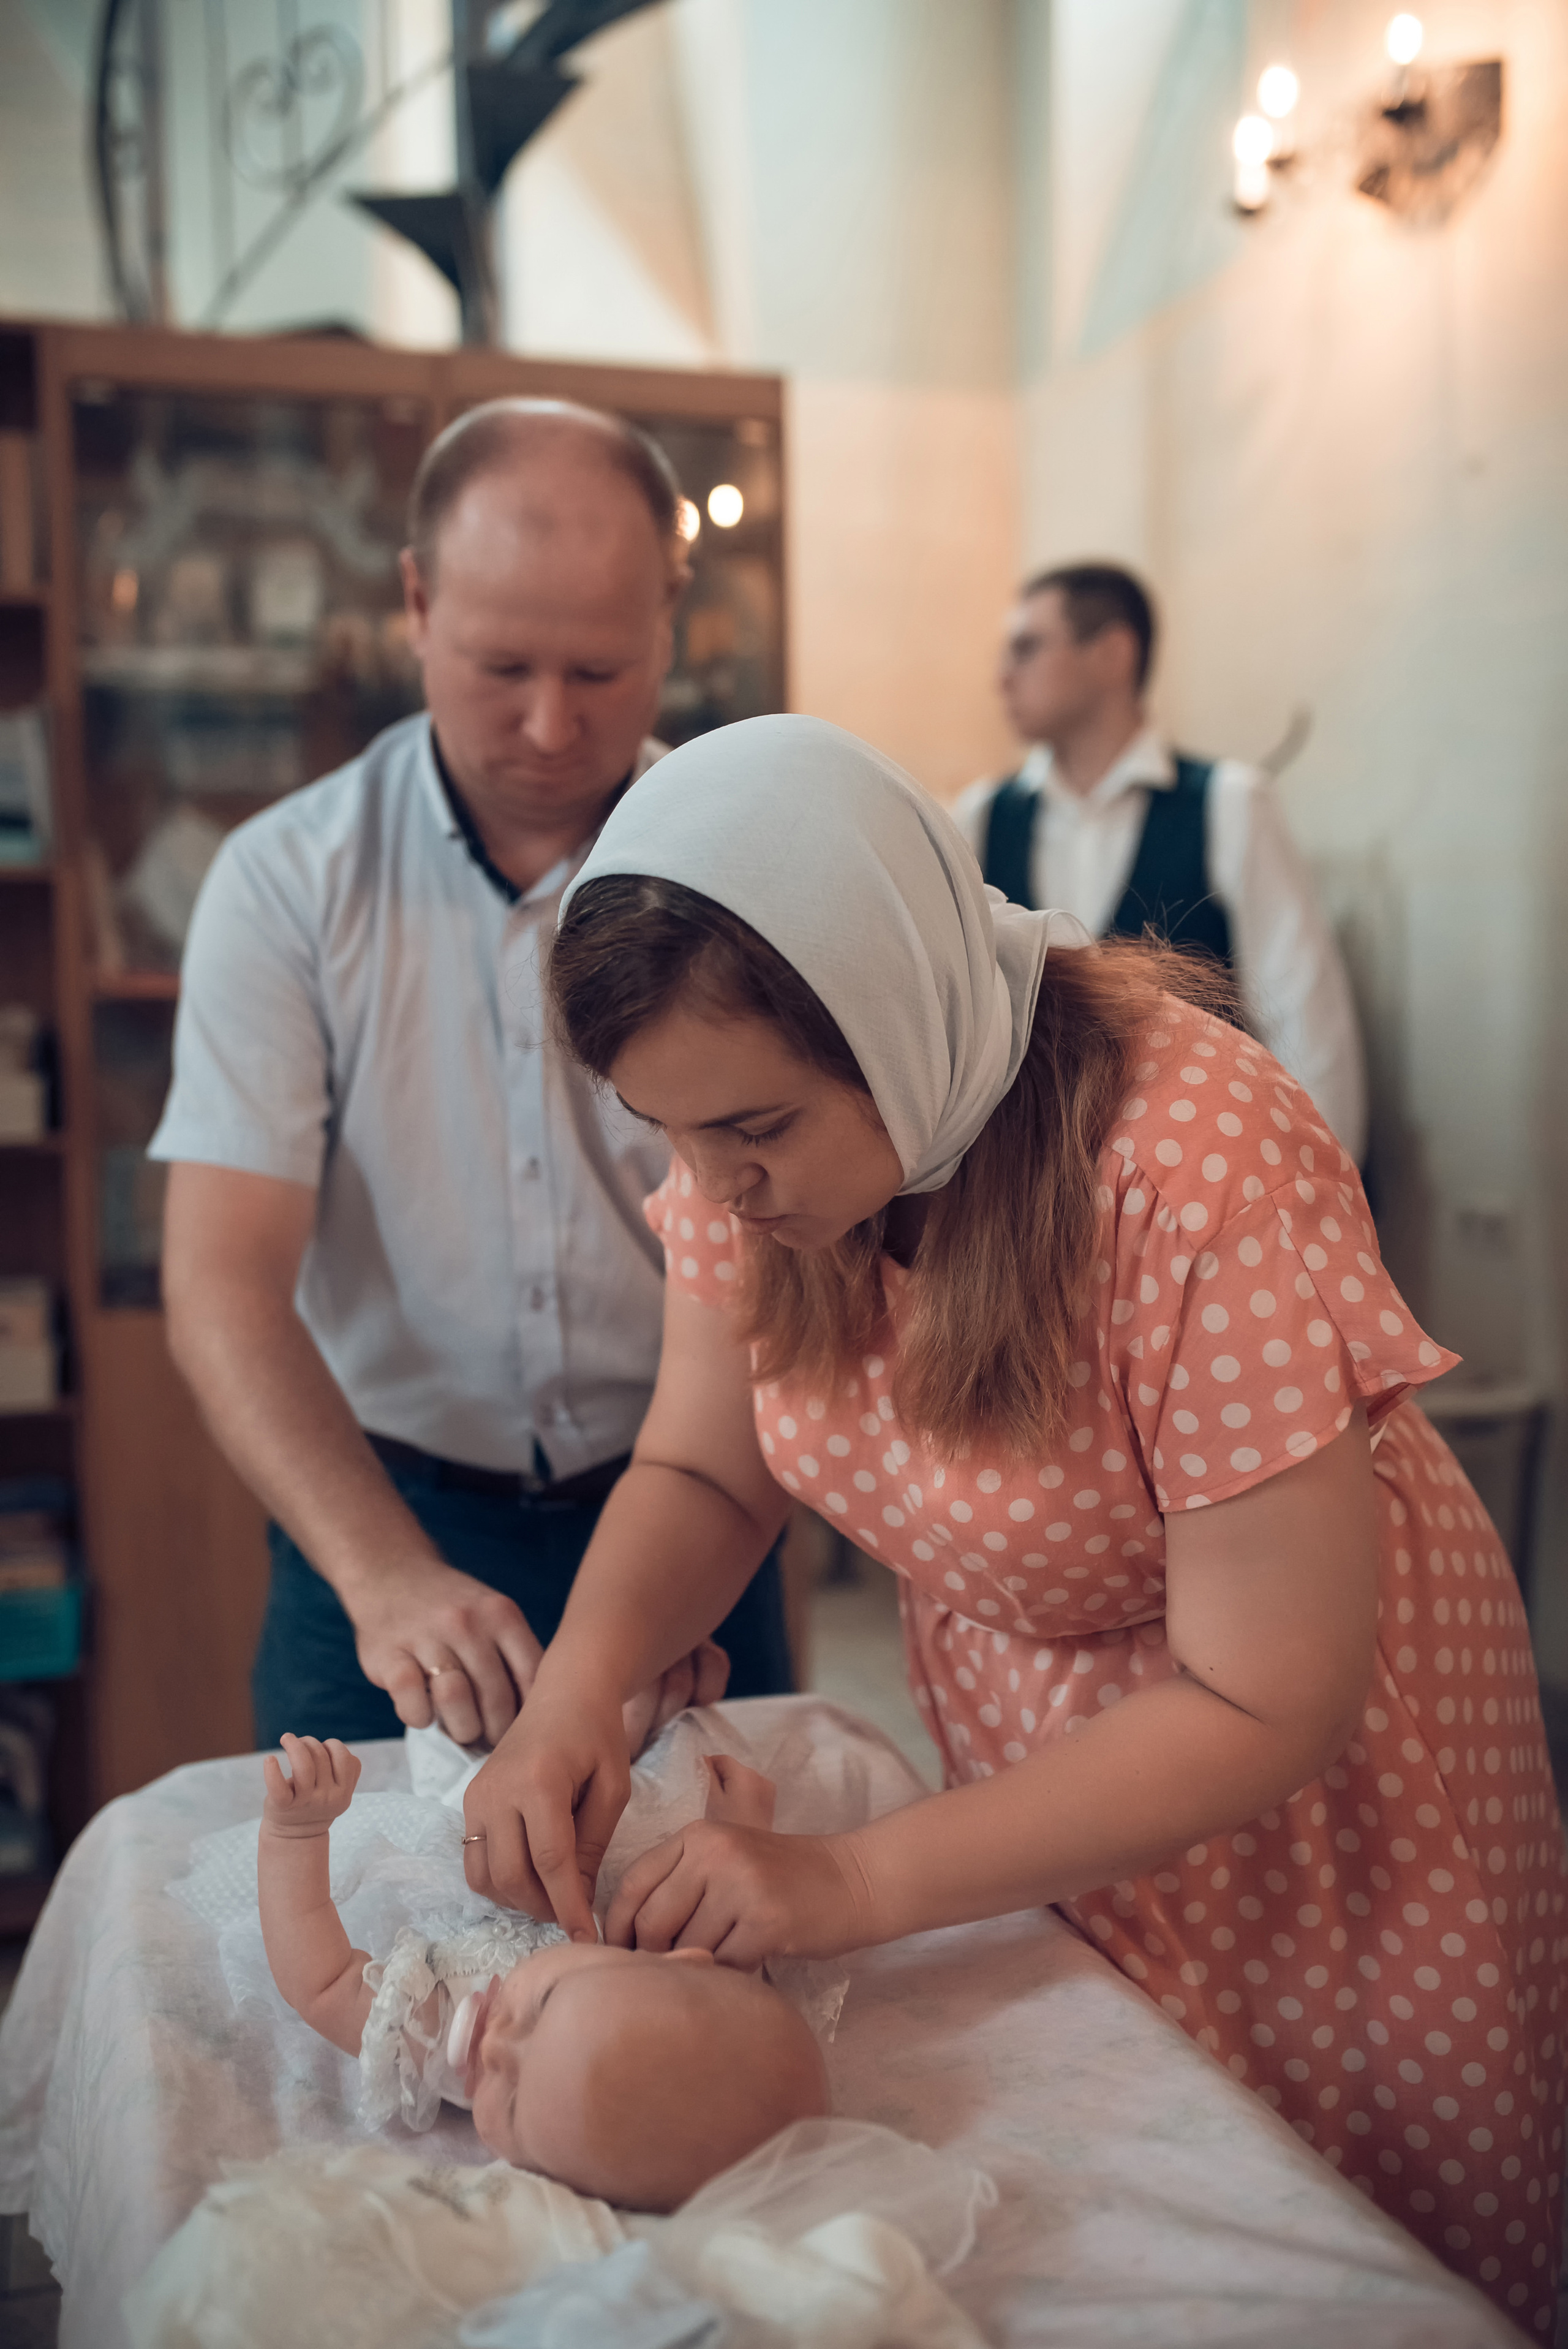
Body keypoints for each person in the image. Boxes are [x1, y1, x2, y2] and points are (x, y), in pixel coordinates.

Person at [458, 716, 1565, 2332]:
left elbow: (1270, 1695)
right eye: (668, 1136)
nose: (713, 1187)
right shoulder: (737, 1144)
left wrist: (850, 1884)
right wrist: (577, 1691)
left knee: (1324, 2230)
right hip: (1041, 1745)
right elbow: (708, 1470)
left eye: (755, 1135)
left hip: (1304, 1790)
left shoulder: (1192, 1165)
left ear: (896, 1021)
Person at [152, 399, 791, 1754]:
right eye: (504, 665)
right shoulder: (286, 883)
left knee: (711, 1938)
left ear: (670, 617)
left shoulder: (756, 867)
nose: (554, 726)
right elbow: (221, 1281)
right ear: (416, 601)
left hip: (702, 1490)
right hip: (385, 1515)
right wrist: (382, 1576)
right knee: (350, 1945)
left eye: (603, 672)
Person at [257, 1730, 827, 2210]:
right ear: (683, 1964)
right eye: (544, 2004)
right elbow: (732, 1956)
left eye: (510, 2104)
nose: (496, 2045)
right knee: (662, 1745)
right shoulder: (676, 2007)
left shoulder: (440, 2036)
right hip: (584, 1803)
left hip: (457, 1829)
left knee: (442, 1740)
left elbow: (324, 1984)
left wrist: (297, 1835)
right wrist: (743, 1832)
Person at [951, 562, 1367, 1161]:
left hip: (1203, 1181)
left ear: (1112, 654)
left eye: (1026, 648)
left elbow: (1304, 1018)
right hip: (1027, 1198)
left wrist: (1318, 1189)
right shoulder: (980, 818)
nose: (1002, 679)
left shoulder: (1229, 802)